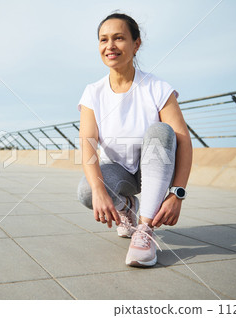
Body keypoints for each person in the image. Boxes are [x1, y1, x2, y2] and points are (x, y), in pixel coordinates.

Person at [77, 13, 192, 267]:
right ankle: (128, 206)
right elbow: (88, 143)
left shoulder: (157, 88)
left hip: (158, 169)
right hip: (124, 173)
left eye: (119, 38)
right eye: (103, 40)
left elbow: (183, 140)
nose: (110, 46)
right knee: (87, 190)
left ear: (136, 44)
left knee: (160, 131)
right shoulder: (93, 92)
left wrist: (177, 194)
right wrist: (98, 190)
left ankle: (144, 231)